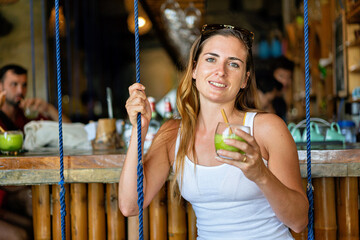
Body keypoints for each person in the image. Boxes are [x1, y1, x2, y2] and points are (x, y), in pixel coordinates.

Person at [118, 24, 308, 239]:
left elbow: (299, 221)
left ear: (245, 79)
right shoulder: (172, 134)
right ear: (195, 69)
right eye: (211, 59)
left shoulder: (267, 128)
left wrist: (260, 175)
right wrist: (139, 129)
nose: (221, 71)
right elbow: (130, 205)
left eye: (233, 64)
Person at [0, 64, 71, 131]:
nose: (20, 91)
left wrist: (48, 109)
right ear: (0, 86)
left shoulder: (27, 114)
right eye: (14, 84)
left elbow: (70, 129)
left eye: (24, 85)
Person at [271, 56, 295, 122]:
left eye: (288, 77)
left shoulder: (281, 102)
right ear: (272, 75)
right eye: (281, 76)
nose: (285, 82)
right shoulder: (267, 100)